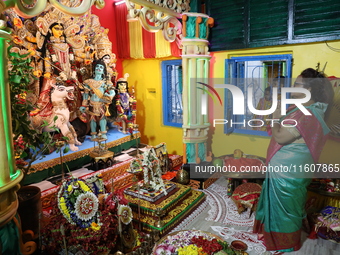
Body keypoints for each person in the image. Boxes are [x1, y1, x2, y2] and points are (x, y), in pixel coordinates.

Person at [253, 68, 334, 252]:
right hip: (284, 169)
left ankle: (286, 243)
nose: (293, 87)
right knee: (284, 205)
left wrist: (274, 116)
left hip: (287, 173)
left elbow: (281, 137)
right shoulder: (303, 109)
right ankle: (272, 234)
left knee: (285, 208)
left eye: (297, 84)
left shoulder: (307, 113)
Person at [80, 59, 116, 140]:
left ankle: (103, 133)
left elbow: (112, 92)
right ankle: (93, 134)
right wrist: (83, 105)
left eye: (101, 67)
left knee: (102, 119)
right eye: (97, 67)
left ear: (103, 71)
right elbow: (86, 94)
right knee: (92, 119)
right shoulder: (88, 82)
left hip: (101, 103)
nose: (99, 68)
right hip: (92, 103)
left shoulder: (106, 82)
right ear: (94, 69)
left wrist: (109, 96)